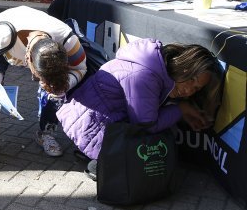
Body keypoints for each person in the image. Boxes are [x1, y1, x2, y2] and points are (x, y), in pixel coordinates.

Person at [57, 39, 223, 180]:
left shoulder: (154, 64)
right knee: (147, 160)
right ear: (185, 65)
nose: (189, 90)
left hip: (85, 118)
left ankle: (98, 155)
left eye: (196, 88)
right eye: (191, 79)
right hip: (87, 125)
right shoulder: (145, 76)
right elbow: (146, 124)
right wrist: (180, 109)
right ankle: (101, 162)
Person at [0, 6, 88, 157]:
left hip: (33, 36)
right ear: (28, 61)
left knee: (57, 90)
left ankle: (45, 133)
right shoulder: (1, 36)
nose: (42, 82)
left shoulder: (68, 40)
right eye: (39, 77)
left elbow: (81, 68)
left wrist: (64, 85)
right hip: (6, 43)